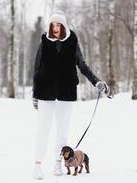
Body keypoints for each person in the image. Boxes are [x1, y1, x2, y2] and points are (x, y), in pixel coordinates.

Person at [32, 11, 110, 180]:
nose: (55, 28)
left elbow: (82, 66)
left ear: (64, 26)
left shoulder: (72, 42)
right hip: (45, 93)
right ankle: (37, 165)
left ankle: (58, 163)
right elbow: (37, 69)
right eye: (53, 25)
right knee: (42, 131)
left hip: (66, 93)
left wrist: (97, 82)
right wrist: (35, 95)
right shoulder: (44, 42)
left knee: (62, 133)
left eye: (58, 25)